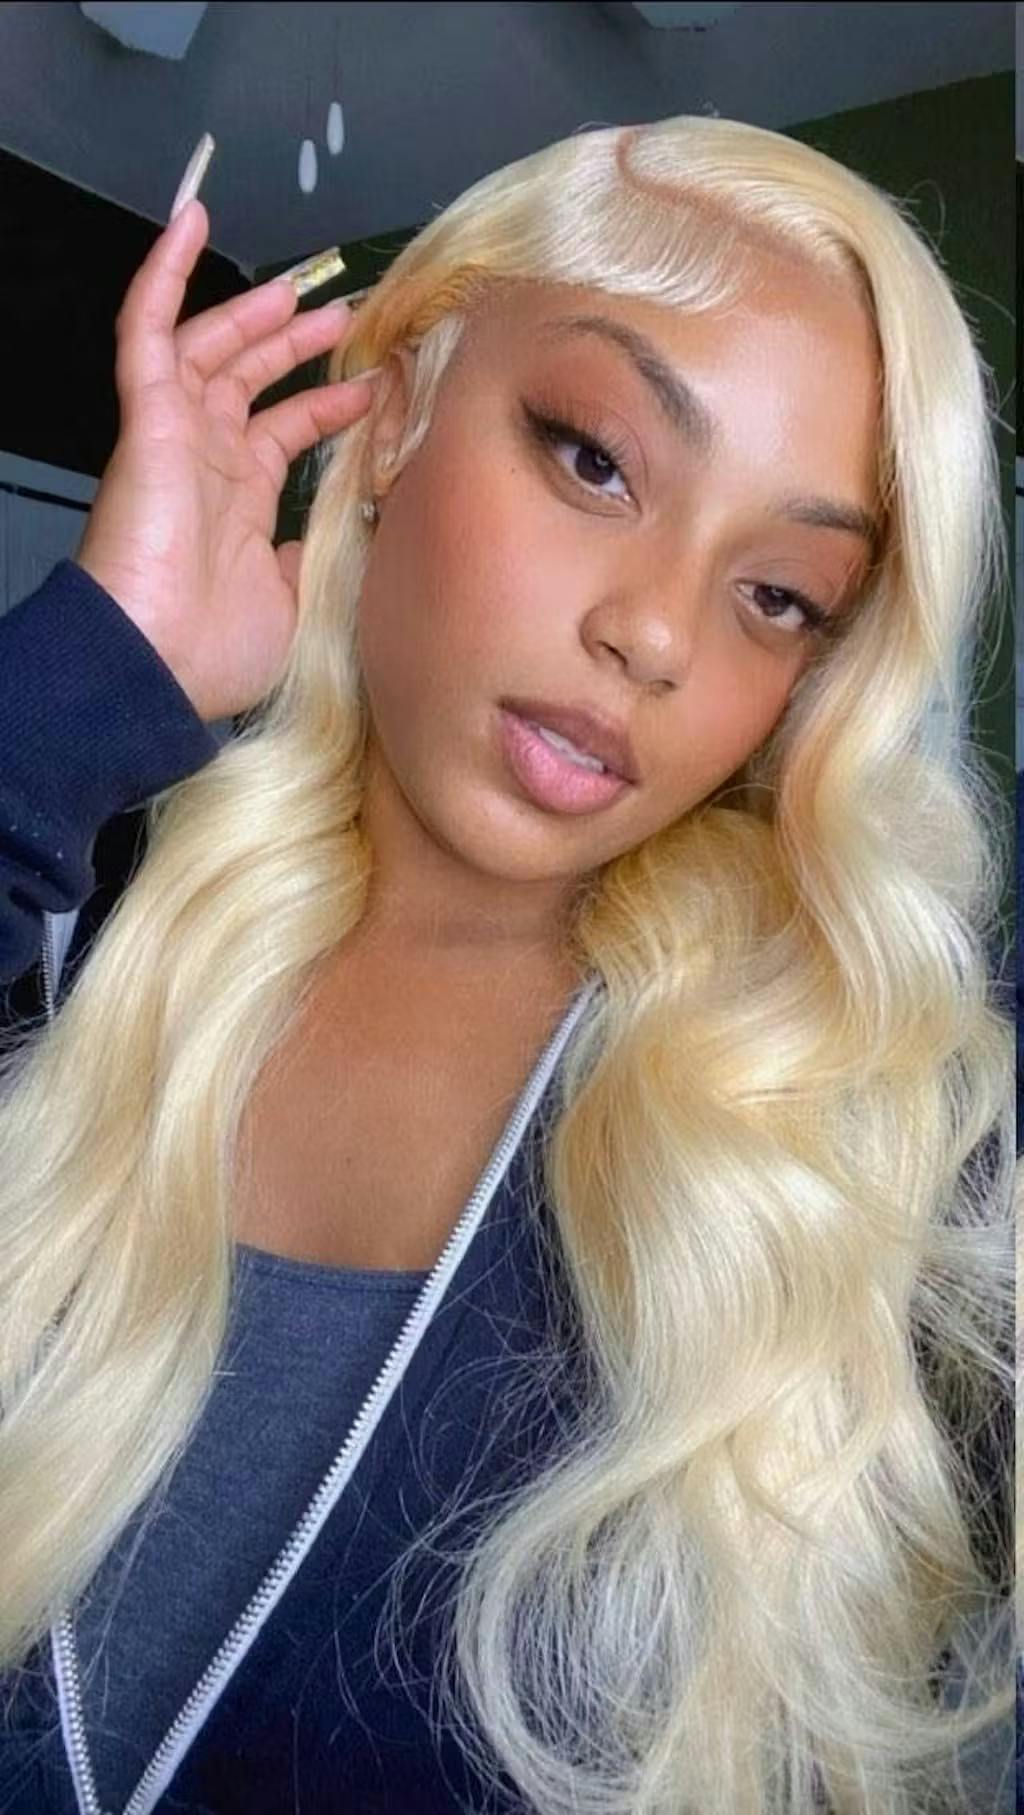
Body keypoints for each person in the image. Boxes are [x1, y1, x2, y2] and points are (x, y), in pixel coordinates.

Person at [0, 118, 1014, 1815]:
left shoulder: (851, 1121)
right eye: (596, 461)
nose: (657, 632)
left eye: (780, 595)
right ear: (394, 413)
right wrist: (93, 678)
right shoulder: (91, 922)